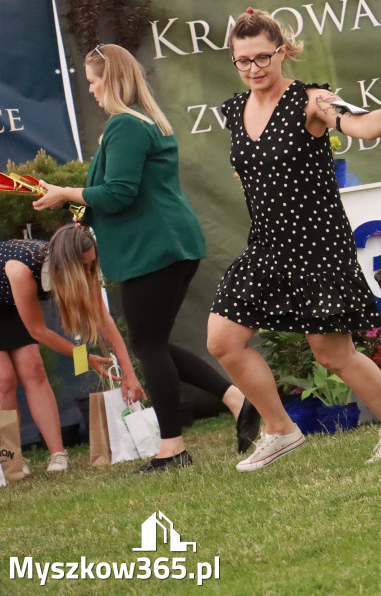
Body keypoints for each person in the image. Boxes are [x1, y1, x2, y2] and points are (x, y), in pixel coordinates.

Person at [206, 7, 381, 472]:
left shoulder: (311, 100)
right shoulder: (233, 110)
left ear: (282, 51)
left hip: (317, 245)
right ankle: (280, 429)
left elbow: (357, 124)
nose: (254, 69)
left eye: (262, 57)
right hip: (265, 245)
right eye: (243, 61)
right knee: (223, 341)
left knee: (332, 353)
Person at [33, 44, 260, 474]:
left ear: (112, 80)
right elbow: (120, 192)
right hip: (166, 245)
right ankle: (237, 400)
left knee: (149, 345)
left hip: (153, 249)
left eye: (95, 83)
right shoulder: (142, 123)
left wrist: (66, 193)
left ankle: (172, 449)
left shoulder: (126, 127)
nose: (93, 92)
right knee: (152, 342)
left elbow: (120, 193)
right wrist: (82, 209)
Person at [1, 225, 143, 474]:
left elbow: (103, 319)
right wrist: (86, 359)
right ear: (66, 263)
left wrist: (129, 373)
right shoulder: (21, 269)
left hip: (12, 302)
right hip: (11, 290)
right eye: (85, 266)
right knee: (4, 379)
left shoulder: (79, 268)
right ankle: (11, 459)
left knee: (33, 368)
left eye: (91, 265)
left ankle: (58, 455)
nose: (89, 271)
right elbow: (39, 332)